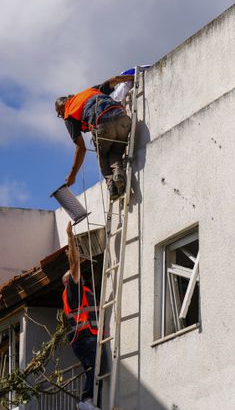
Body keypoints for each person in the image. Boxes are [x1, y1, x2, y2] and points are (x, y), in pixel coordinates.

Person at [55, 74, 134, 199]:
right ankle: (118, 172)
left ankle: (112, 187)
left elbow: (81, 148)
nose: (61, 116)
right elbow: (115, 80)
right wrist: (132, 77)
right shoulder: (90, 91)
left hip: (103, 125)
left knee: (103, 155)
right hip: (123, 119)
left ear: (61, 109)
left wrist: (73, 174)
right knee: (116, 151)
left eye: (59, 114)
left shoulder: (68, 113)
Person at [63, 221, 101, 409]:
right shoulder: (73, 289)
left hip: (85, 340)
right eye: (72, 275)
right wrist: (70, 237)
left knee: (93, 370)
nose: (77, 274)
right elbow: (74, 263)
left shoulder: (85, 292)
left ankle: (89, 401)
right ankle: (87, 401)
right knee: (97, 366)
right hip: (85, 339)